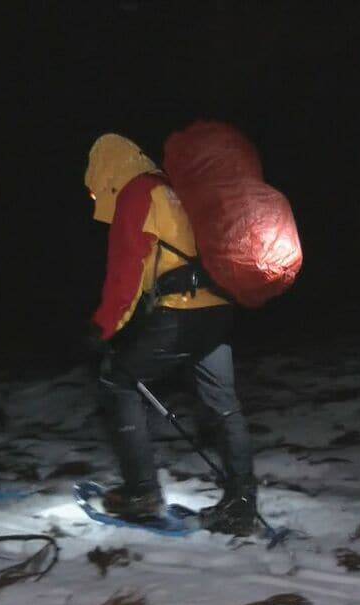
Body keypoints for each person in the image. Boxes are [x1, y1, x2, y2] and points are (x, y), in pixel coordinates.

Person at [84, 134, 256, 536]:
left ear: (106, 170)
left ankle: (142, 491)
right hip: (218, 310)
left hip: (182, 314)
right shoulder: (176, 187)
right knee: (224, 404)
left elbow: (127, 273)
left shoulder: (136, 193)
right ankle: (242, 504)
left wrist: (102, 327)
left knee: (118, 381)